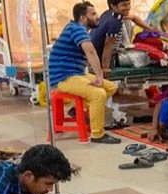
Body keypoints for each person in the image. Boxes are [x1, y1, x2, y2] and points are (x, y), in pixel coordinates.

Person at [49, 2, 121, 144]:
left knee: (111, 87)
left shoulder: (76, 28)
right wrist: (99, 76)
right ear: (83, 18)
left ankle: (78, 109)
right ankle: (97, 134)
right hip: (63, 77)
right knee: (98, 94)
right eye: (93, 14)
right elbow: (90, 51)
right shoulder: (77, 29)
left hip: (75, 73)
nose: (97, 17)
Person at [90, 0, 161, 73]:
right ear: (113, 6)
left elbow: (134, 18)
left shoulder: (109, 13)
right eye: (124, 5)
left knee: (127, 21)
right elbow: (108, 45)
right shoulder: (114, 21)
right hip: (104, 58)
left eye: (129, 4)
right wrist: (105, 68)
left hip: (101, 53)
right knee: (147, 56)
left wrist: (151, 29)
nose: (128, 7)